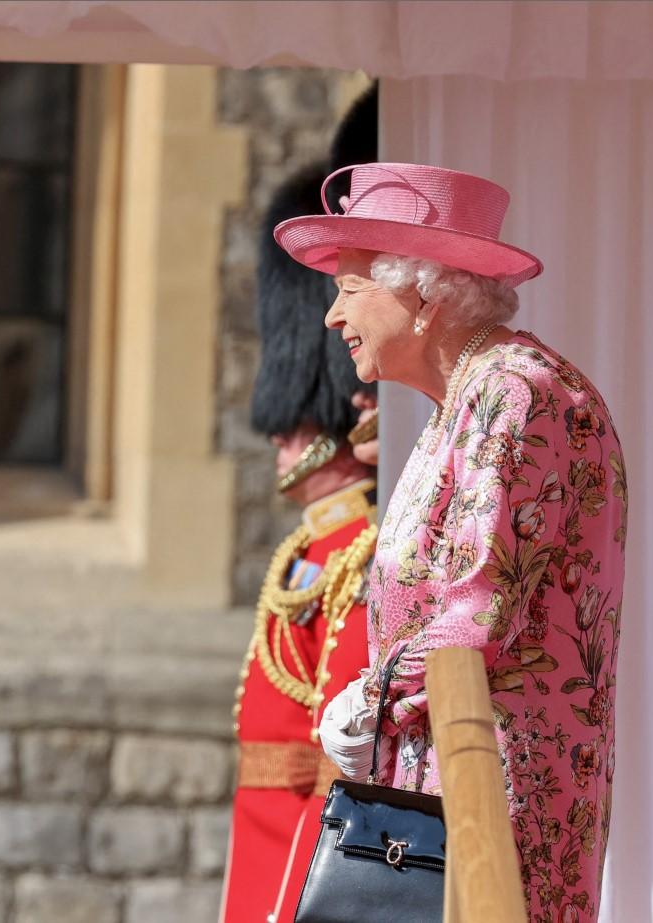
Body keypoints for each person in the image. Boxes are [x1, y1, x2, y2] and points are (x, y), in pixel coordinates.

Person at [278, 162, 626, 922]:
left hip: (495, 795)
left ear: (422, 292)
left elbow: (476, 610)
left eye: (348, 290)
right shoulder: (467, 397)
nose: (332, 320)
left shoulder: (516, 391)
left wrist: (366, 697)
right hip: (444, 781)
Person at [218, 161, 379, 923]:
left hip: (303, 850)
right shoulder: (308, 549)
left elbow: (332, 759)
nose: (282, 432)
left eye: (299, 414)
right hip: (259, 838)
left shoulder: (361, 547)